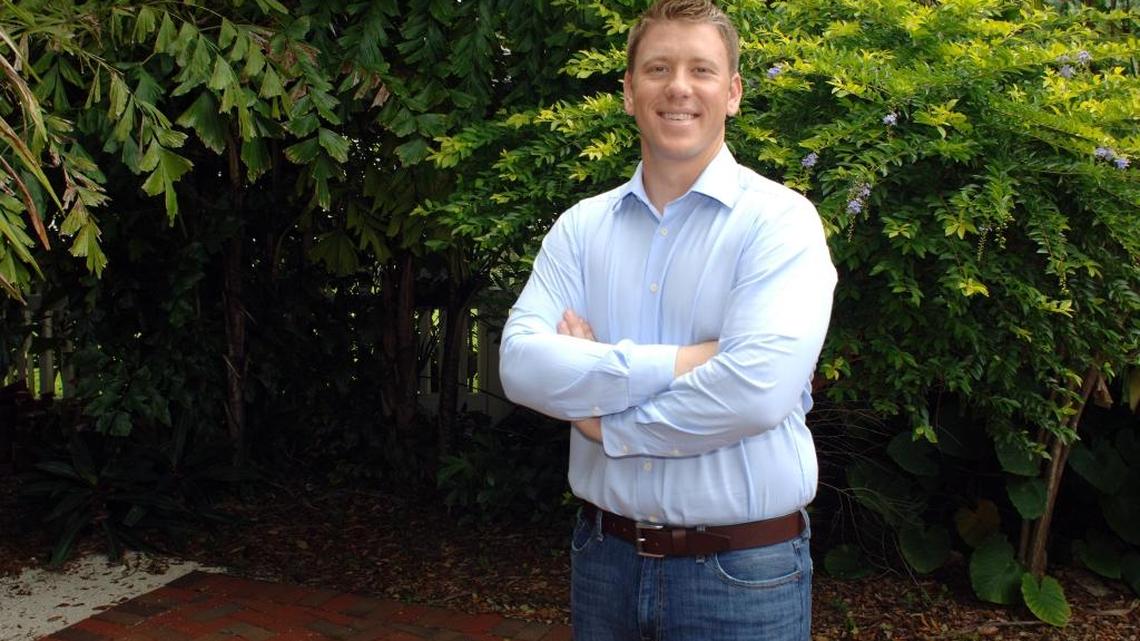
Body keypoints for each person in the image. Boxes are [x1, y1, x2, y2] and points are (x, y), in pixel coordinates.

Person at [498, 0, 837, 638]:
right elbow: (520, 365)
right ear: (628, 92)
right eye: (657, 68)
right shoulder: (580, 229)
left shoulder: (781, 224)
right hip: (604, 562)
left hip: (742, 577)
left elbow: (754, 391)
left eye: (701, 70)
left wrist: (602, 419)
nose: (678, 87)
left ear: (733, 92)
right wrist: (688, 361)